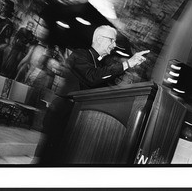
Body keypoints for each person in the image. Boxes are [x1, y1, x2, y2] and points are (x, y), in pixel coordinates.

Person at [34, 25, 150, 165]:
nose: (114, 45)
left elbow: (104, 87)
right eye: (112, 40)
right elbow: (92, 77)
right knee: (47, 160)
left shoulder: (101, 64)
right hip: (63, 114)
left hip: (81, 118)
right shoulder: (80, 55)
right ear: (99, 39)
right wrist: (127, 63)